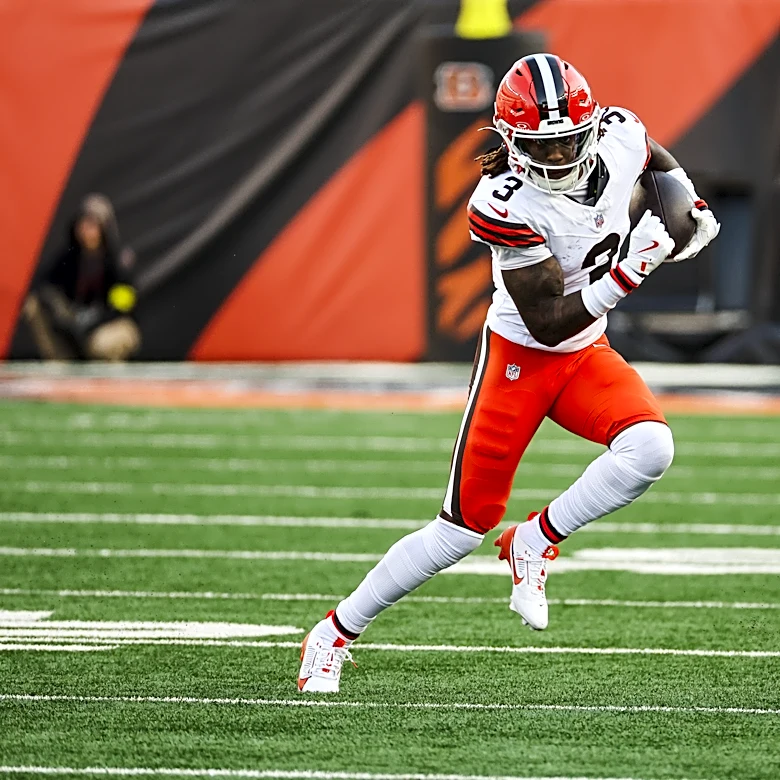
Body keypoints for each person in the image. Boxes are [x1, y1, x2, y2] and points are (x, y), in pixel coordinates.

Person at [297, 53, 721, 693]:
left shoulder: (618, 133)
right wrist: (630, 273)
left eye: (568, 143)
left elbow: (653, 155)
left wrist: (689, 205)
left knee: (650, 447)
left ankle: (537, 539)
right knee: (459, 530)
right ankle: (333, 633)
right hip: (522, 356)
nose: (556, 160)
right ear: (512, 144)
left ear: (591, 127)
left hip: (585, 354)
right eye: (541, 148)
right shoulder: (502, 202)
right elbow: (549, 320)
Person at [23, 194, 141, 361]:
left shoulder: (118, 262)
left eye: (93, 225)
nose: (87, 230)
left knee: (102, 344)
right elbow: (42, 285)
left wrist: (93, 320)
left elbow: (124, 306)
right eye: (83, 224)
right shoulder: (69, 258)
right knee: (32, 306)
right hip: (74, 329)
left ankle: (108, 376)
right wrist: (60, 309)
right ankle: (60, 363)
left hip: (110, 326)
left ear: (104, 228)